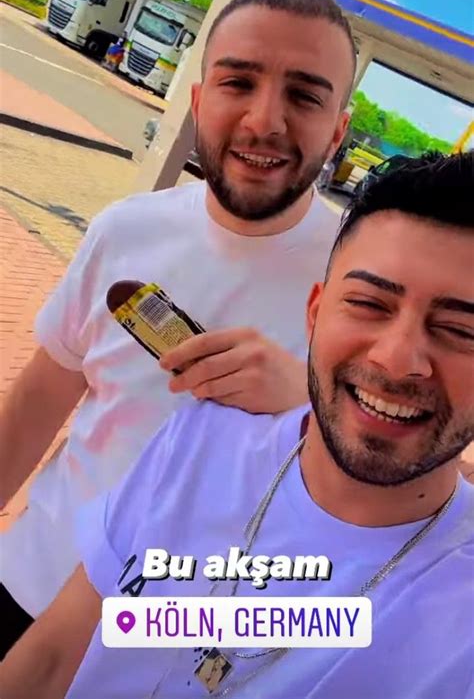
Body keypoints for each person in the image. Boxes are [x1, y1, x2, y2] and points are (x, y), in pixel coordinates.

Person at [2, 151, 472, 699]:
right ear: (315, 314)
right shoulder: (201, 442)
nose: (396, 359)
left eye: (461, 330)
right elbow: (56, 656)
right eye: (369, 303)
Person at [0, 0, 356, 653]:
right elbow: (39, 401)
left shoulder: (368, 286)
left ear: (338, 128)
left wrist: (307, 404)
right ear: (198, 100)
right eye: (237, 82)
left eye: (305, 95)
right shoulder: (124, 231)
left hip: (179, 650)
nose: (264, 121)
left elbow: (429, 489)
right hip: (31, 585)